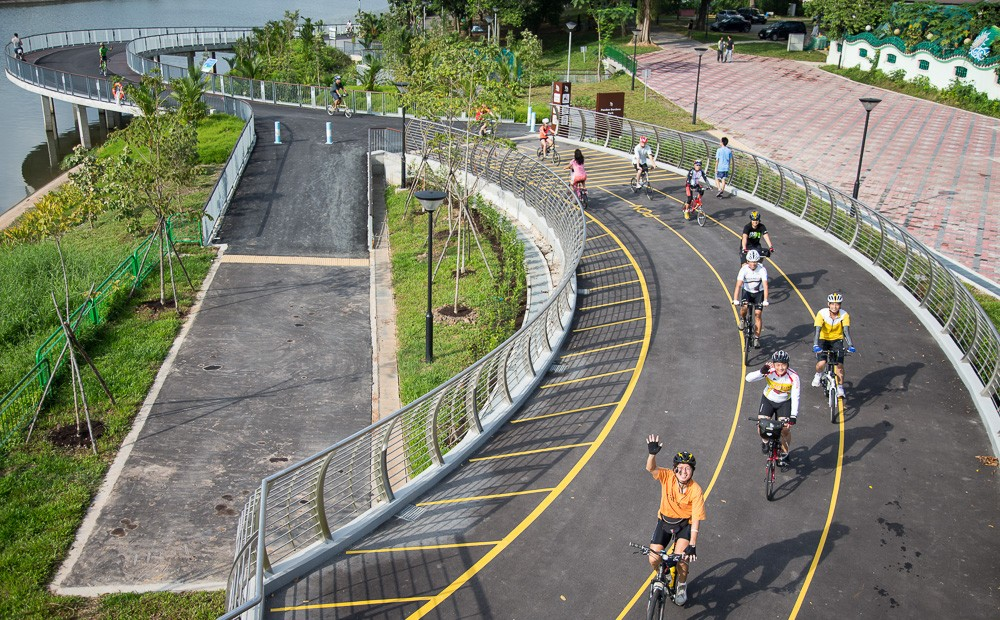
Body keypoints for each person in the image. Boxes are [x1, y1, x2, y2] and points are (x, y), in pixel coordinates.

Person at [645, 435, 705, 607]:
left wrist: (692, 544)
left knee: (682, 560)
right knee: (653, 558)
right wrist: (652, 454)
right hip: (664, 521)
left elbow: (696, 518)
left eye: (688, 468)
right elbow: (651, 468)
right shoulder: (667, 476)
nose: (684, 471)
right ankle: (663, 575)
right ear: (674, 469)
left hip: (684, 525)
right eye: (681, 468)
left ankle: (681, 585)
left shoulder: (696, 490)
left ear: (692, 471)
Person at [746, 350, 800, 465]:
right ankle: (765, 441)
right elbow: (748, 379)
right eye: (778, 365)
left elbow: (796, 397)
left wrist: (793, 416)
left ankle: (785, 452)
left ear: (788, 365)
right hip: (768, 400)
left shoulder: (793, 377)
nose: (781, 368)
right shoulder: (770, 371)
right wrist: (761, 372)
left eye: (783, 365)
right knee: (762, 426)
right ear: (774, 364)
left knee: (785, 430)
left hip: (784, 403)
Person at [812, 292, 856, 397]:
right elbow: (817, 330)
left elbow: (846, 331)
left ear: (840, 305)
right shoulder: (822, 313)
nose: (834, 307)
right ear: (828, 304)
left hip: (837, 340)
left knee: (839, 366)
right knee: (821, 363)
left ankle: (840, 387)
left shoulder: (844, 315)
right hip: (823, 339)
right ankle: (818, 374)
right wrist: (815, 345)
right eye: (832, 304)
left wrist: (850, 345)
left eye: (837, 304)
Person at [732, 249, 769, 348]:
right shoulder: (743, 270)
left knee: (758, 314)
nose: (753, 264)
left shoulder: (762, 269)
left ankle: (756, 338)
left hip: (758, 293)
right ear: (747, 261)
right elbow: (738, 285)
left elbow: (765, 286)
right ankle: (743, 319)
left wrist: (765, 300)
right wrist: (735, 299)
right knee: (744, 307)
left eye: (755, 262)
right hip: (747, 292)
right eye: (751, 262)